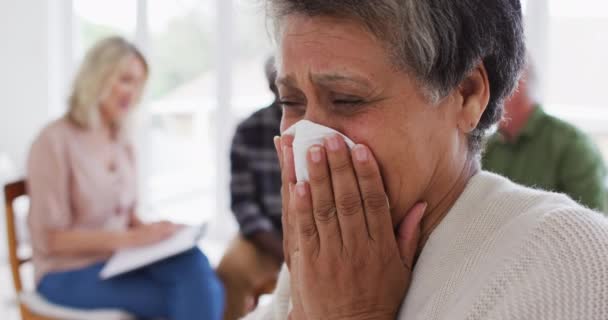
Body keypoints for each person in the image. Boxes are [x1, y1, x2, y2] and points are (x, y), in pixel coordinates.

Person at [244, 0, 608, 319]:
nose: (310, 142)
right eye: (291, 103)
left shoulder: (567, 255)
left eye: (347, 99)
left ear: (467, 94)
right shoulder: (331, 251)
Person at [27, 36, 224, 320]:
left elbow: (127, 215)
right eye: (125, 80)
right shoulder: (53, 141)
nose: (133, 93)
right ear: (97, 77)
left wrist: (158, 232)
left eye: (139, 84)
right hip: (64, 272)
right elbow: (50, 240)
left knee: (194, 263)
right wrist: (132, 238)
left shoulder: (120, 139)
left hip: (116, 260)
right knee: (187, 296)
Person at [483, 68, 607, 211]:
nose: (481, 93)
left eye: (490, 83)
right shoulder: (489, 147)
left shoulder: (573, 145)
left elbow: (592, 222)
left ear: (515, 85)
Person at [217, 56, 283, 320]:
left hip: (318, 232)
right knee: (229, 269)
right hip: (267, 238)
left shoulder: (326, 124)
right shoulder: (248, 130)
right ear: (271, 86)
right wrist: (283, 251)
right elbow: (243, 203)